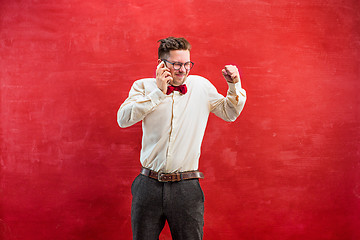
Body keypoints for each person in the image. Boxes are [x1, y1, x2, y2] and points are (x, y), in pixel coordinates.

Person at [117, 37, 246, 240]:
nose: (183, 69)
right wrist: (158, 93)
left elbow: (229, 112)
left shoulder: (201, 86)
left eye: (187, 64)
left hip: (186, 187)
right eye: (177, 64)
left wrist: (234, 85)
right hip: (148, 185)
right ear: (162, 64)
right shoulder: (142, 86)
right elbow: (123, 120)